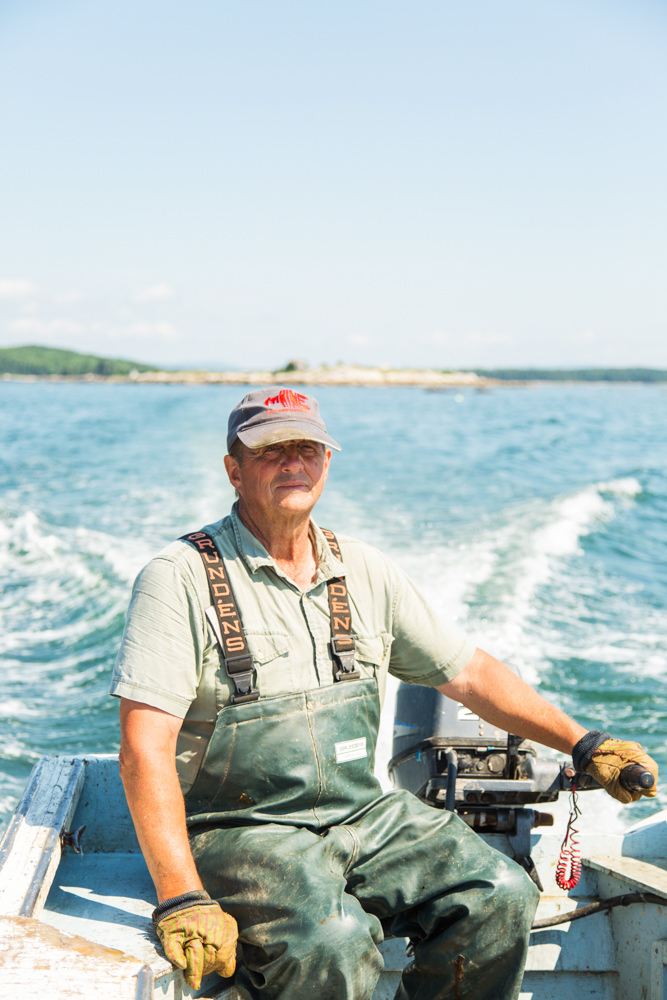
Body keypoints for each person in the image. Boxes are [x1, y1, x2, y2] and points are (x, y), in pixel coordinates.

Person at [111, 385, 658, 1000]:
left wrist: (585, 743)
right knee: (334, 940)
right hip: (239, 829)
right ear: (234, 471)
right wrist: (181, 897)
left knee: (500, 893)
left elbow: (468, 673)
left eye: (307, 448)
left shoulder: (363, 569)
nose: (293, 462)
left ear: (326, 463)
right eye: (270, 451)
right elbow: (144, 748)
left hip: (362, 813)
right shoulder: (178, 577)